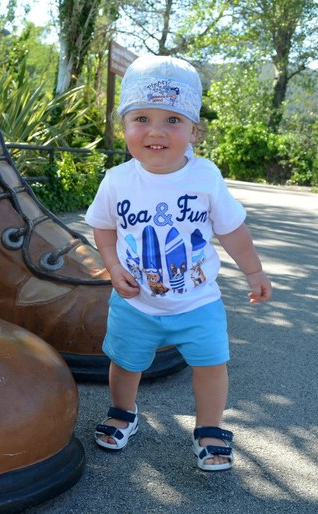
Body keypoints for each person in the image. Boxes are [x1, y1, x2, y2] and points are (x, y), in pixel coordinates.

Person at [84, 55, 272, 471]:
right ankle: (123, 412)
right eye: (141, 119)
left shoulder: (205, 177)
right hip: (135, 302)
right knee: (125, 363)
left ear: (193, 131)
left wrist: (254, 270)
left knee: (211, 364)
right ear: (124, 126)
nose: (156, 131)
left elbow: (233, 230)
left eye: (172, 120)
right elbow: (104, 228)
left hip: (198, 303)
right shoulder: (117, 180)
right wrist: (113, 267)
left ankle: (209, 429)